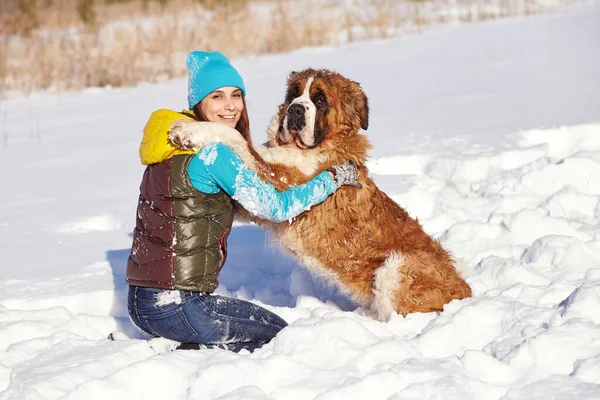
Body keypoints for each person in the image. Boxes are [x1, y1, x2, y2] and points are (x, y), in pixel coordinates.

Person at [125, 50, 360, 353]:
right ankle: (190, 353)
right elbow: (276, 208)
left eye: (236, 95)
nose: (230, 106)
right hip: (178, 308)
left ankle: (180, 345)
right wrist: (331, 178)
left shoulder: (170, 144)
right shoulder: (215, 154)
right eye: (217, 97)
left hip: (140, 305)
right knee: (278, 335)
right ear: (199, 103)